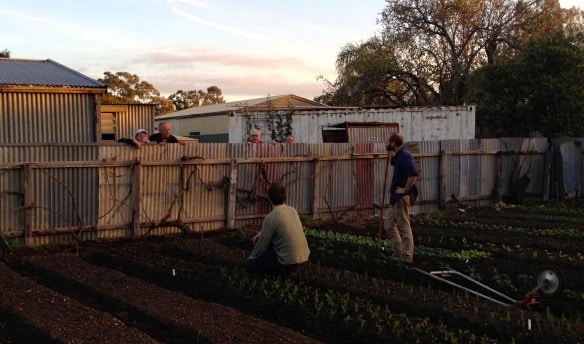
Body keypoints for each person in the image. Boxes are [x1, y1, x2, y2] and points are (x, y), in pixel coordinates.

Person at [244, 182, 310, 275]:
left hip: (287, 263)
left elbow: (261, 247)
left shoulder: (271, 217)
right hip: (303, 258)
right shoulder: (292, 210)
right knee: (271, 247)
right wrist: (262, 233)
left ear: (270, 198)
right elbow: (280, 225)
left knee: (250, 265)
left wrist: (251, 258)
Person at [384, 132, 418, 263]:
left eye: (388, 141)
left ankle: (407, 257)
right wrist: (389, 150)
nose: (387, 143)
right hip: (395, 198)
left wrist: (405, 190)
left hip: (401, 198)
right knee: (388, 225)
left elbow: (413, 175)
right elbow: (392, 160)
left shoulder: (404, 156)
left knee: (404, 227)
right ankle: (398, 251)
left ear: (393, 143)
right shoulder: (399, 155)